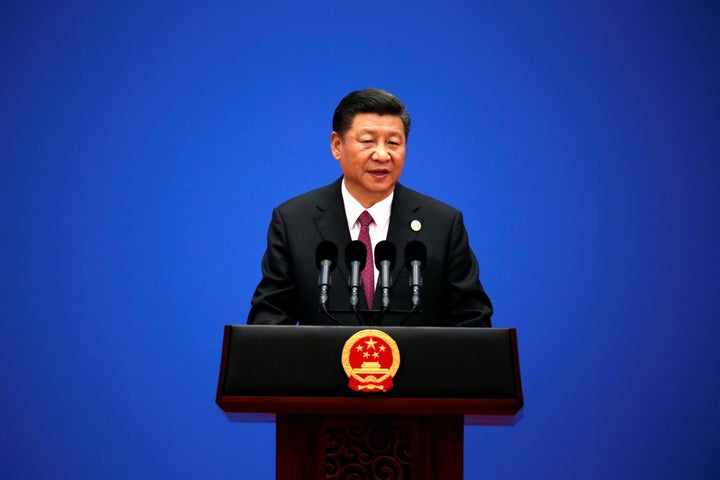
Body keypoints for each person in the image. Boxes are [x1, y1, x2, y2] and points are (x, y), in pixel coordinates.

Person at [247, 88, 492, 327]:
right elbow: (270, 318)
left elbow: (472, 320)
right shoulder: (294, 221)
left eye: (394, 143)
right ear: (336, 145)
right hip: (322, 368)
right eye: (368, 141)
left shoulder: (442, 223)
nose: (383, 155)